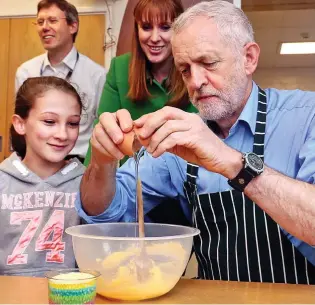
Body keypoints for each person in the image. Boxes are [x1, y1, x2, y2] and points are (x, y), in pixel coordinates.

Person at [76, 1, 315, 284]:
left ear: (249, 58)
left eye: (209, 63)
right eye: (185, 70)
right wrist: (103, 163)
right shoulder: (181, 141)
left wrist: (231, 162)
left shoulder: (305, 116)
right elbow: (103, 216)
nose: (196, 81)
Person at [84, 0, 197, 166]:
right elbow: (101, 132)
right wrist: (87, 186)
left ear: (178, 30)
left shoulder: (195, 68)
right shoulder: (120, 67)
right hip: (133, 179)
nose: (154, 38)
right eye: (146, 27)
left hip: (188, 178)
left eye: (165, 27)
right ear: (137, 30)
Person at [0, 76, 85, 277]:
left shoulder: (87, 183)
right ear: (20, 124)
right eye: (49, 121)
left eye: (73, 123)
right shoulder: (3, 182)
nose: (63, 134)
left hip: (71, 296)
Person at [15, 0, 106, 163]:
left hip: (79, 165)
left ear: (73, 26)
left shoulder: (96, 75)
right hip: (35, 166)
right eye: (40, 21)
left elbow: (101, 127)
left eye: (52, 20)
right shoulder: (26, 72)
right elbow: (21, 127)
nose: (44, 27)